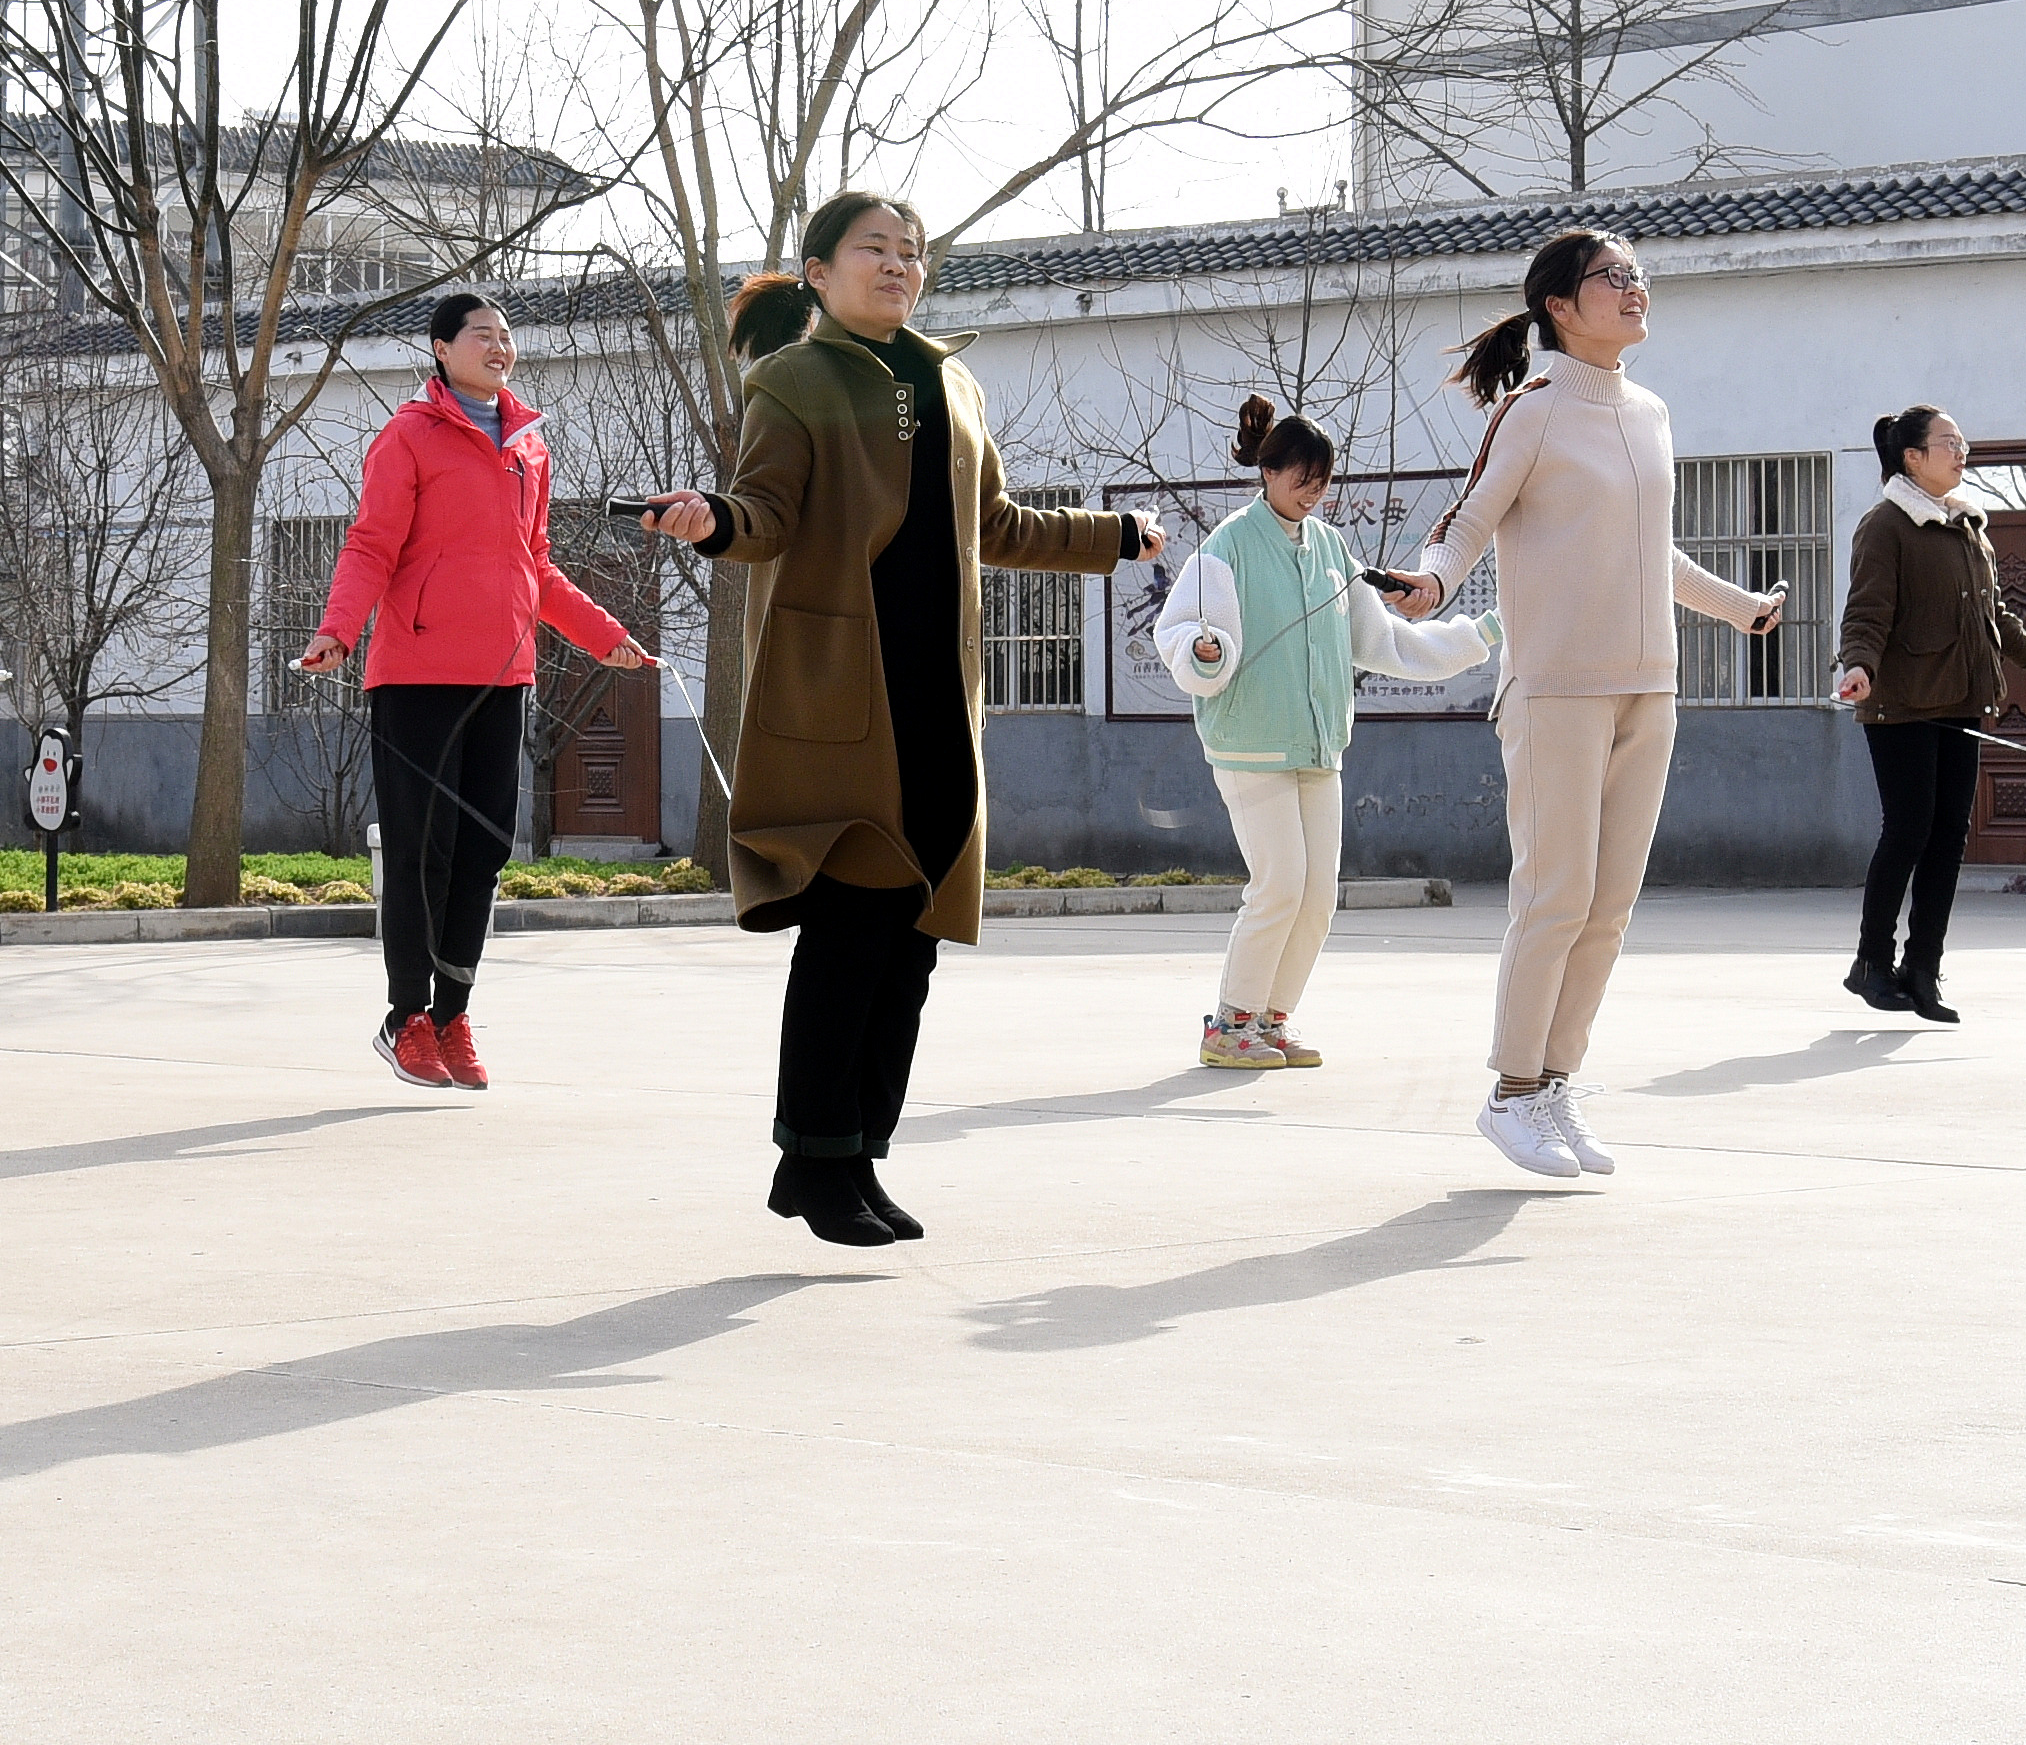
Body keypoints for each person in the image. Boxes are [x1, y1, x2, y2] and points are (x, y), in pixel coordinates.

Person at [642, 190, 1152, 1249]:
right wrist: (711, 521)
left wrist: (1111, 534)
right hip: (842, 692)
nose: (898, 265)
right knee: (850, 926)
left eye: (911, 252)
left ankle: (851, 1157)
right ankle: (818, 1160)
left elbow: (996, 525)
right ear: (818, 272)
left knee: (910, 939)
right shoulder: (792, 378)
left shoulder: (950, 379)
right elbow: (767, 512)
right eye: (873, 248)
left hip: (938, 696)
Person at [1409, 229, 1784, 1182]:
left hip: (1647, 687)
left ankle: (1554, 1083)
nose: (1634, 287)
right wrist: (1429, 583)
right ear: (1560, 308)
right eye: (1611, 277)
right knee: (1554, 895)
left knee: (1609, 905)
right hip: (1555, 691)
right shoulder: (1533, 409)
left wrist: (1743, 610)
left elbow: (1656, 554)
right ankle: (1509, 1093)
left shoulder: (1650, 412)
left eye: (1637, 274)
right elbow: (1469, 519)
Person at [292, 291, 660, 1088]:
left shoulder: (528, 447)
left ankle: (454, 1016)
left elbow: (538, 566)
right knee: (424, 851)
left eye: (507, 336)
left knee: (485, 851)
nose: (500, 347)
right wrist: (338, 631)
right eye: (482, 336)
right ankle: (405, 1019)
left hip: (504, 674)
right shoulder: (408, 438)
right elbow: (370, 545)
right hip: (418, 676)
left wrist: (605, 635)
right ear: (441, 348)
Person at [1146, 392, 1486, 1068]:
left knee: (1317, 895)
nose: (1313, 493)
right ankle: (1229, 1026)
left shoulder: (1332, 548)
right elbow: (1179, 630)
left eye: (1322, 482)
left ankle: (1270, 1021)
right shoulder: (1226, 548)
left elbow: (1382, 640)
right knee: (1279, 884)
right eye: (1302, 479)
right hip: (1251, 744)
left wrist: (1477, 638)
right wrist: (1204, 651)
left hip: (1319, 744)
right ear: (1268, 472)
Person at [1824, 404, 2026, 1026]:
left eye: (1961, 441)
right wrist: (1857, 666)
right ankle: (1870, 962)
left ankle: (1922, 969)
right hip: (1901, 705)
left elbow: (1995, 619)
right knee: (1909, 831)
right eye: (1948, 442)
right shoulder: (1886, 525)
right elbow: (1865, 612)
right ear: (1912, 458)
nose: (1961, 449)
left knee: (1948, 840)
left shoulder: (1968, 526)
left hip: (1964, 701)